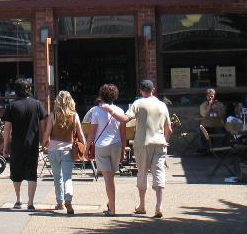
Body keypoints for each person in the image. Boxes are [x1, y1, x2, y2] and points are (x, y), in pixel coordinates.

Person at [103, 80, 171, 218]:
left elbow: (124, 119)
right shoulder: (162, 105)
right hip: (160, 143)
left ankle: (142, 205)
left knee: (142, 173)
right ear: (153, 89)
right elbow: (169, 129)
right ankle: (159, 206)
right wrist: (165, 140)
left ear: (140, 90)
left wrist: (110, 110)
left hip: (142, 143)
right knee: (159, 173)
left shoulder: (138, 103)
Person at [2, 78, 46, 211]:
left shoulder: (11, 105)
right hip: (33, 144)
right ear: (29, 89)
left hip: (17, 144)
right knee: (32, 173)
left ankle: (18, 199)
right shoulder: (37, 104)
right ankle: (30, 203)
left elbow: (7, 128)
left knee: (16, 172)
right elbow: (43, 126)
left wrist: (5, 145)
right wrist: (44, 141)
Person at [42, 90, 85, 215]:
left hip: (53, 150)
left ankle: (59, 202)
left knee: (57, 177)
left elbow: (46, 134)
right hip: (67, 150)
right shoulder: (74, 116)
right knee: (67, 177)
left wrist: (44, 144)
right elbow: (81, 135)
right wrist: (85, 147)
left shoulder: (53, 115)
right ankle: (68, 199)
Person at [86, 83, 126, 216]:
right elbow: (123, 132)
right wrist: (123, 149)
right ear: (115, 96)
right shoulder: (120, 111)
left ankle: (112, 208)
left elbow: (92, 132)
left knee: (108, 179)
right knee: (111, 178)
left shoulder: (96, 111)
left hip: (101, 146)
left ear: (101, 96)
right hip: (116, 145)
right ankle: (110, 203)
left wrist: (87, 148)